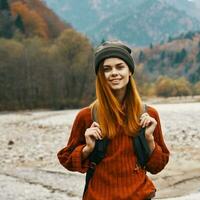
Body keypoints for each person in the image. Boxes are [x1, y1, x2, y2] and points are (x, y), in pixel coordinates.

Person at [57, 41, 170, 200]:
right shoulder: (86, 116)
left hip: (140, 196)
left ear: (129, 71)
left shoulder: (148, 115)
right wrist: (87, 149)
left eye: (120, 67)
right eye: (106, 69)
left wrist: (150, 139)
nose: (114, 73)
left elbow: (158, 166)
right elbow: (66, 159)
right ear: (100, 75)